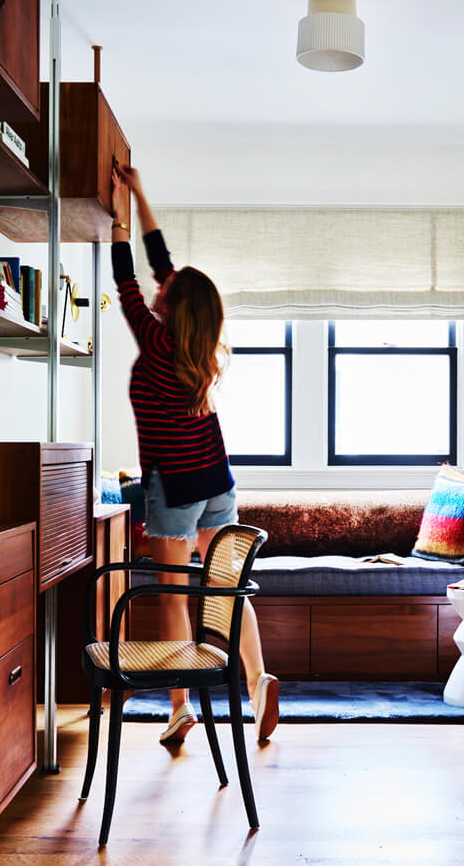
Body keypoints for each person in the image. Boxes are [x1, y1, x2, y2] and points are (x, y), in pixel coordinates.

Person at [110, 164, 279, 745]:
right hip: (217, 477)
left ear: (172, 307)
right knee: (226, 587)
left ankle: (180, 708)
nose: (162, 284)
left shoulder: (155, 342)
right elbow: (159, 262)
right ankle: (258, 683)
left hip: (175, 486)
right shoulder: (196, 346)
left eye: (167, 289)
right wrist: (137, 193)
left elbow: (127, 278)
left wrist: (116, 218)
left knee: (175, 593)